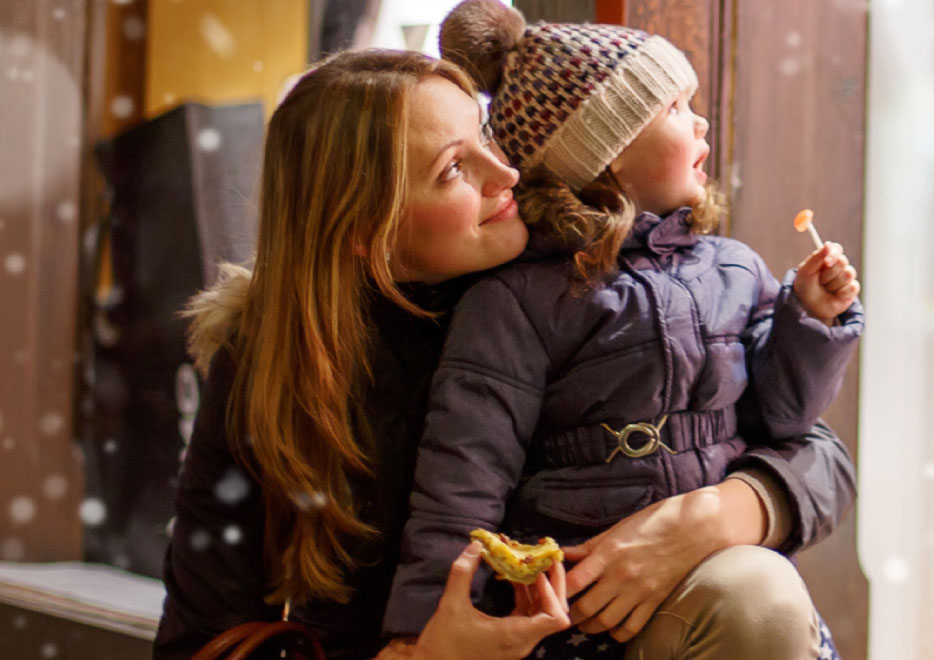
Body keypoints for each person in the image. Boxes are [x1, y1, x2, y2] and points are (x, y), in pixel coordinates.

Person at [154, 47, 857, 660]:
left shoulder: (576, 278)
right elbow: (199, 638)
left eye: (487, 135)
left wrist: (719, 514)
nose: (508, 174)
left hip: (619, 634)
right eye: (455, 169)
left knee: (754, 594)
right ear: (365, 230)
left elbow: (811, 445)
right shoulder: (268, 366)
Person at [382, 3, 863, 659]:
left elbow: (785, 419)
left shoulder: (733, 267)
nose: (701, 123)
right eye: (672, 108)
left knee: (761, 599)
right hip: (581, 611)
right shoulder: (516, 300)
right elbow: (461, 479)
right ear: (605, 155)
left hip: (712, 585)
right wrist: (422, 629)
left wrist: (808, 320)